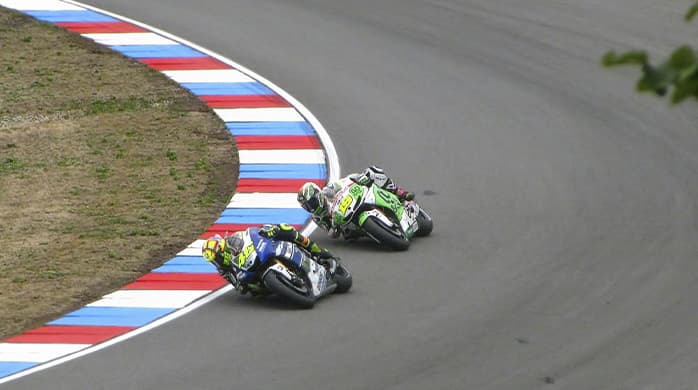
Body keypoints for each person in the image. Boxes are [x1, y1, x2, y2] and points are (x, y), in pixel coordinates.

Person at [201, 223, 337, 294]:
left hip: (259, 252)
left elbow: (249, 234)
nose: (216, 260)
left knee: (285, 229)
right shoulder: (223, 270)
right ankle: (284, 288)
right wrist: (241, 285)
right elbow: (237, 286)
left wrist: (266, 232)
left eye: (216, 256)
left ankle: (316, 250)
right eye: (213, 260)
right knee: (255, 291)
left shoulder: (232, 241)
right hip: (253, 272)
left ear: (221, 248)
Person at [297, 165, 415, 239]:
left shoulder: (329, 190)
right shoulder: (317, 218)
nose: (311, 207)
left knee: (372, 172)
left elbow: (347, 180)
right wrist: (334, 227)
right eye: (307, 206)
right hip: (349, 224)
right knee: (349, 235)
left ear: (318, 194)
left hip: (355, 200)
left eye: (311, 202)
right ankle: (375, 231)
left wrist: (359, 178)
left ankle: (400, 193)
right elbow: (331, 234)